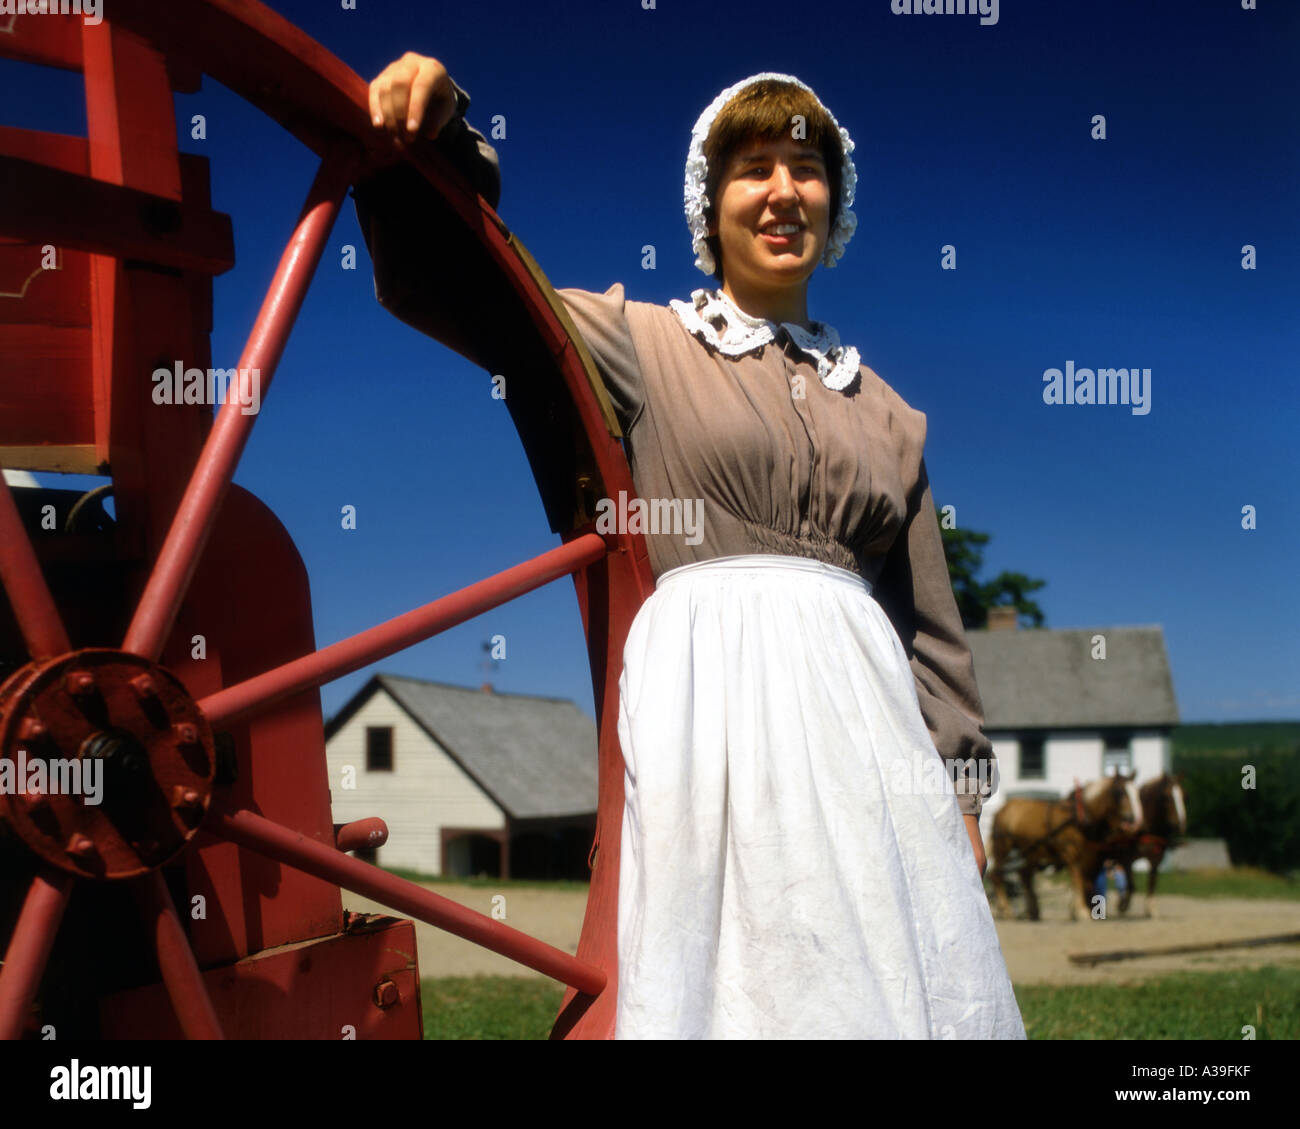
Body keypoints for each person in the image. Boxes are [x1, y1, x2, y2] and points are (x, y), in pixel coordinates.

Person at [357, 53, 1026, 1039]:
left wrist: (962, 794)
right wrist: (437, 140)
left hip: (873, 736)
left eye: (806, 169)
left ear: (833, 210)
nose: (782, 190)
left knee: (890, 983)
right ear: (709, 206)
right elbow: (464, 288)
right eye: (752, 166)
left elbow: (932, 636)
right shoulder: (641, 342)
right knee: (742, 984)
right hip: (711, 710)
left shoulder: (889, 414)